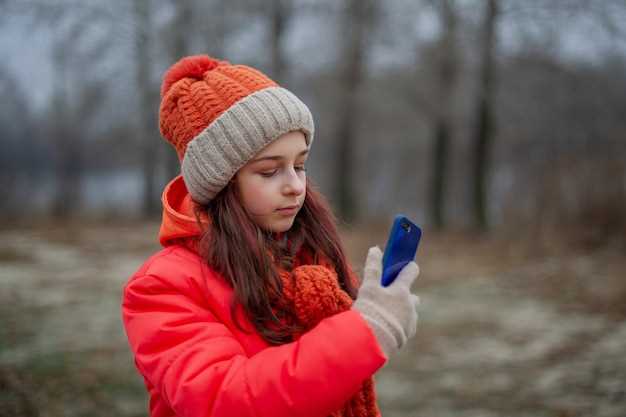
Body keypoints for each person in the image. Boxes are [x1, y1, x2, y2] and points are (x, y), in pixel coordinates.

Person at [121, 54, 421, 417]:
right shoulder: (161, 287)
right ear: (221, 183)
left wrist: (378, 308)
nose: (295, 186)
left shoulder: (309, 253)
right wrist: (366, 331)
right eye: (269, 171)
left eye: (300, 165)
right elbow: (224, 401)